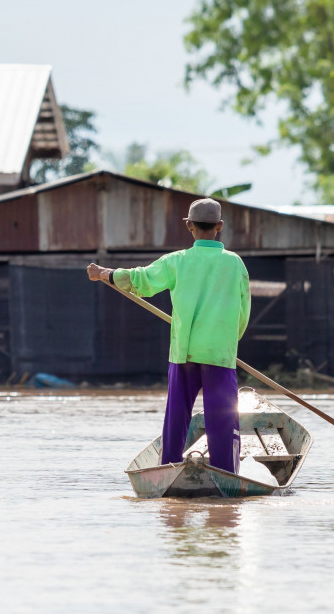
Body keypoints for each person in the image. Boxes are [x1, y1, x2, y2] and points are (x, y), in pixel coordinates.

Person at [86, 197, 250, 471]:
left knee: (177, 418)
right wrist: (229, 344)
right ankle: (226, 476)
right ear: (219, 226)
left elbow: (141, 280)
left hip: (183, 353)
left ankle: (169, 470)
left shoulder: (177, 261)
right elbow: (243, 312)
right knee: (223, 421)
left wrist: (106, 274)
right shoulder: (235, 264)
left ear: (189, 227)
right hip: (219, 354)